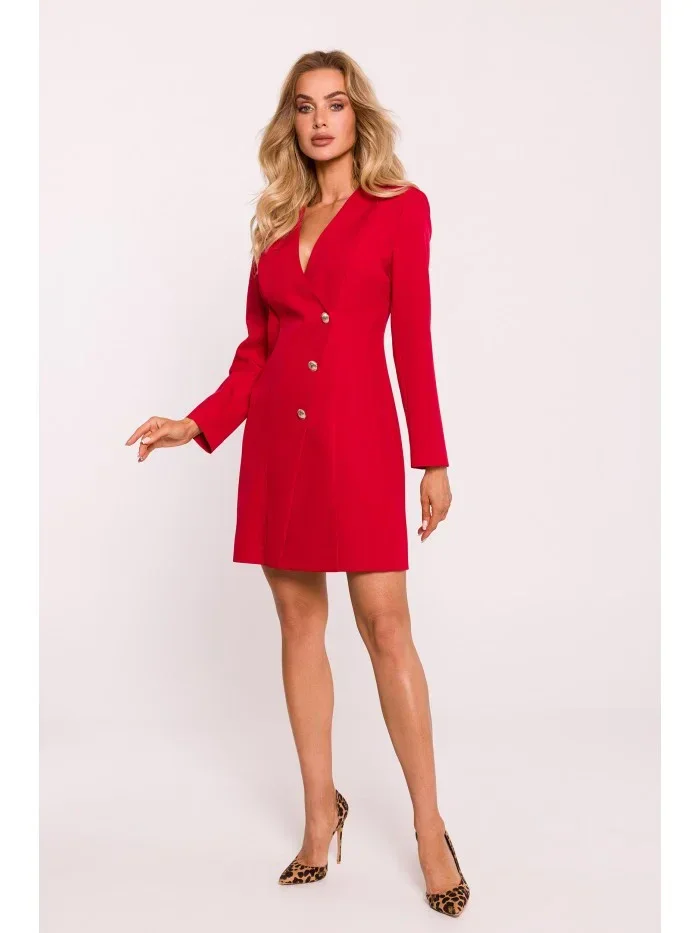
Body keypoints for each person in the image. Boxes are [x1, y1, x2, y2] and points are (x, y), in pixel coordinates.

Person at [125, 49, 468, 918]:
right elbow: (259, 351)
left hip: (358, 441)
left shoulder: (400, 209)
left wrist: (431, 457)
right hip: (280, 446)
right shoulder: (276, 221)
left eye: (335, 105)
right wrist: (199, 421)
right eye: (306, 107)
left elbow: (412, 340)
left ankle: (430, 828)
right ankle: (321, 813)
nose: (320, 120)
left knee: (386, 625)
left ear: (358, 117)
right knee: (298, 622)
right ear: (291, 122)